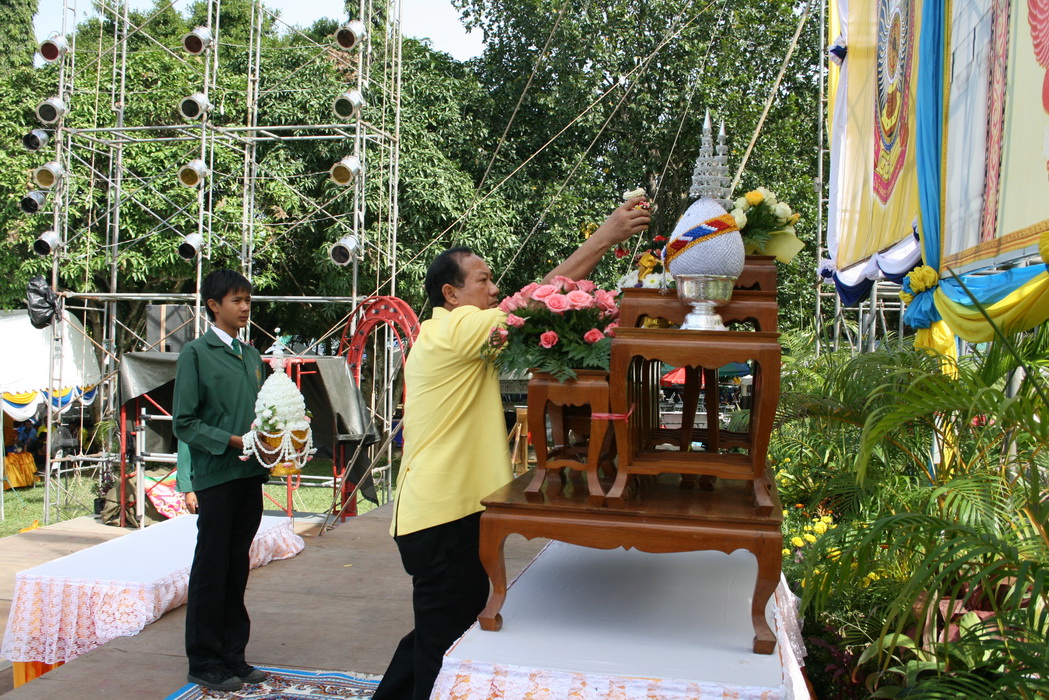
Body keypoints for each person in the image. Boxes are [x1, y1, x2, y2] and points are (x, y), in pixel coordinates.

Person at [372, 196, 651, 700]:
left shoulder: (454, 335)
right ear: (450, 294)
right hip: (441, 517)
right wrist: (605, 236)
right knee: (444, 642)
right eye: (483, 280)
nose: (494, 288)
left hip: (446, 512)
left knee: (440, 627)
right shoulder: (453, 329)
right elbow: (534, 302)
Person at [173, 269, 269, 693]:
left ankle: (233, 654)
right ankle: (204, 659)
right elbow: (184, 422)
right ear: (214, 306)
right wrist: (232, 441)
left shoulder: (251, 356)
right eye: (236, 300)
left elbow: (262, 413)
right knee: (212, 568)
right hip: (216, 475)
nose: (245, 307)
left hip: (250, 473)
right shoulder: (196, 353)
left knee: (236, 565)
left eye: (248, 299)